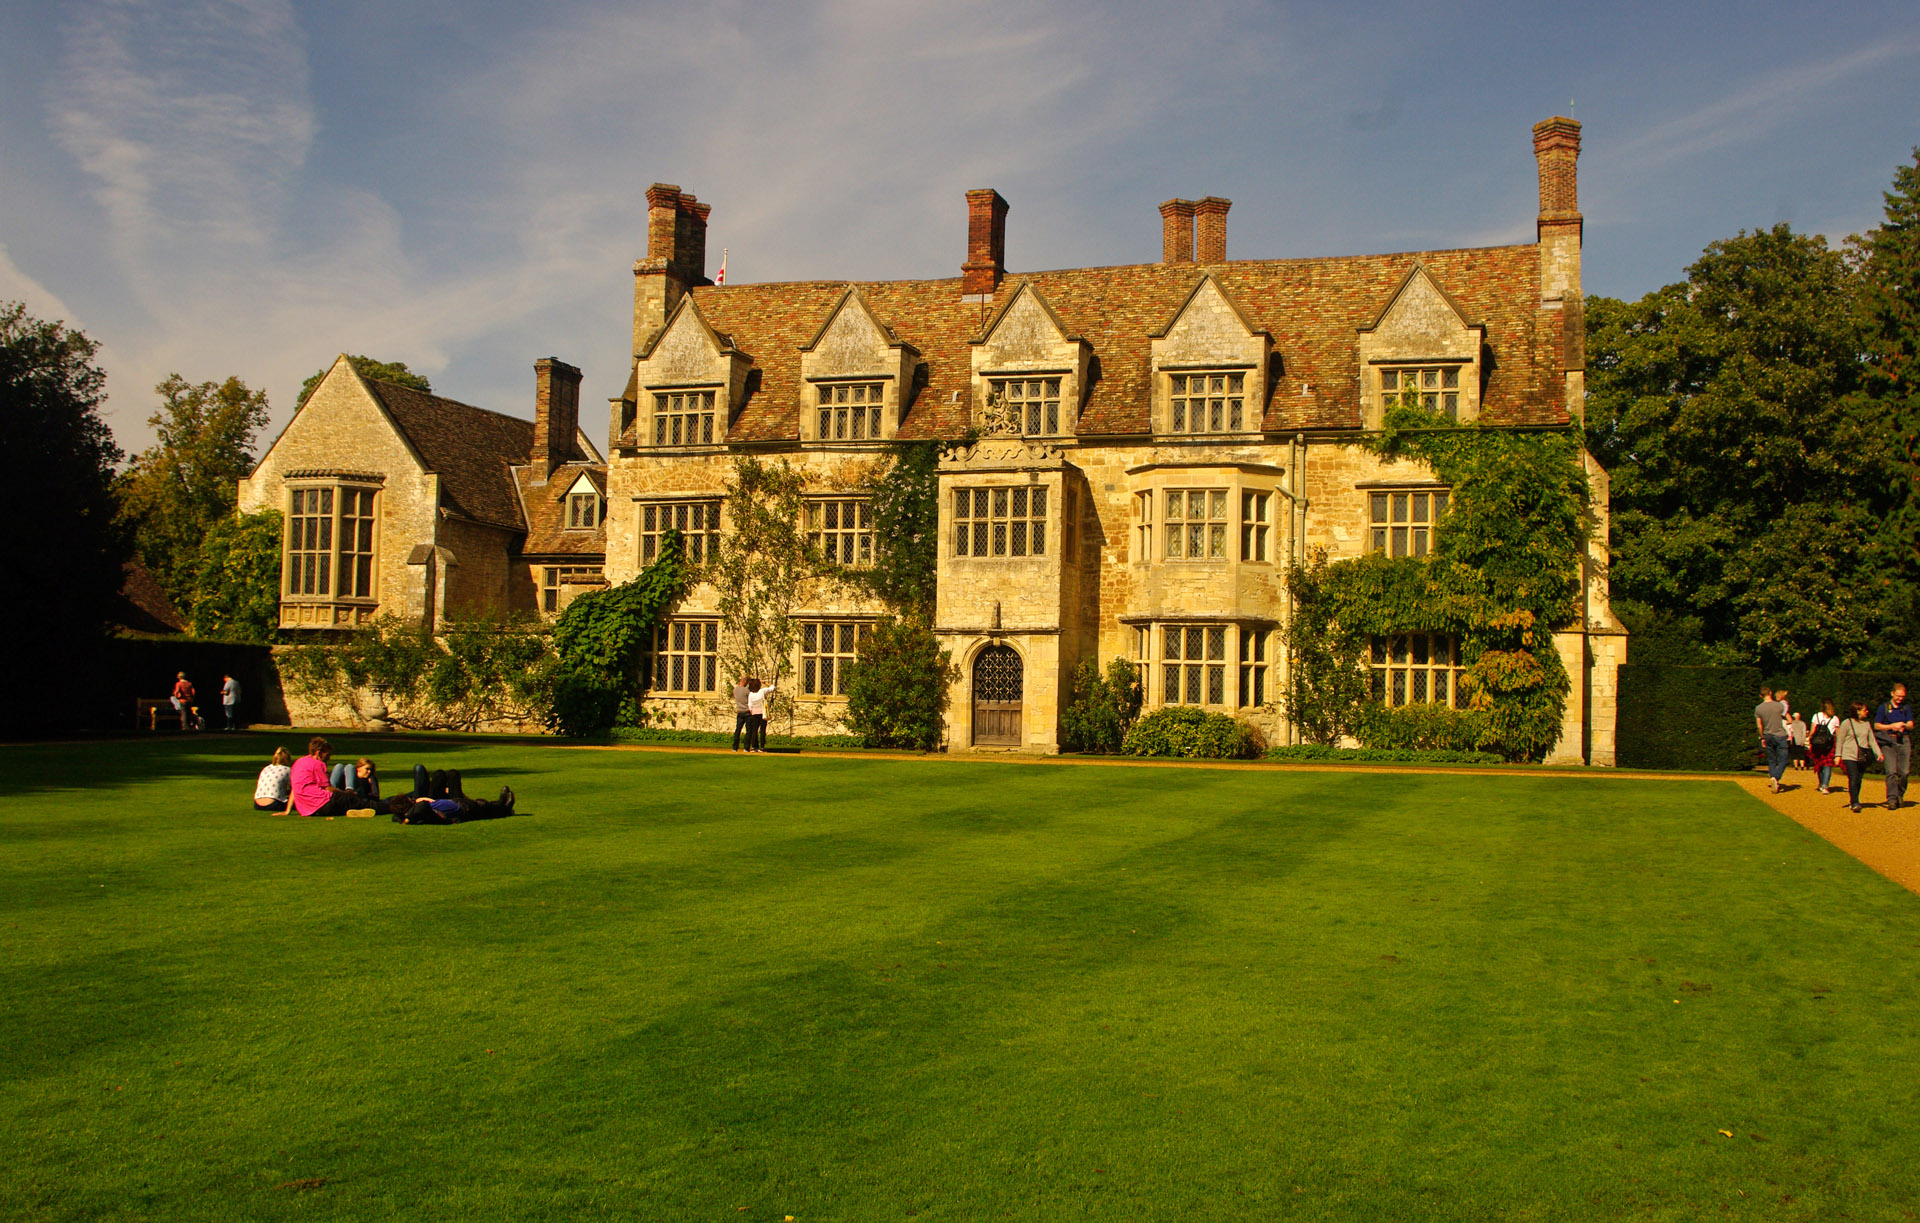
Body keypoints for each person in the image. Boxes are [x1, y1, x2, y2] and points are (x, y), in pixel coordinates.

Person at [386, 764, 516, 824]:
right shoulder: (420, 810)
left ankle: (503, 805)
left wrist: (405, 819)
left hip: (457, 803)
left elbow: (394, 817)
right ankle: (505, 807)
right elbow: (423, 806)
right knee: (483, 806)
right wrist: (411, 814)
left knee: (482, 805)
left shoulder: (410, 815)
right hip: (462, 809)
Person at [289, 736, 379, 818]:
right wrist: (346, 793)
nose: (329, 758)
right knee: (363, 803)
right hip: (323, 803)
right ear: (319, 753)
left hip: (308, 809)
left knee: (348, 802)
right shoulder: (318, 764)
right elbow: (328, 789)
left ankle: (352, 810)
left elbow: (295, 788)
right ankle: (390, 805)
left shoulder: (299, 762)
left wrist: (287, 810)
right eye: (327, 755)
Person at [1836, 701, 1884, 814]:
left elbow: (1872, 740)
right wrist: (1838, 755)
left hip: (1863, 756)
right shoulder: (1847, 723)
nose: (1867, 712)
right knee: (1853, 777)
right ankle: (1855, 802)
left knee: (1858, 779)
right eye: (1864, 710)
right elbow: (1840, 740)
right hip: (1849, 755)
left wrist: (1879, 753)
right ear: (1857, 711)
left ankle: (1854, 799)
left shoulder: (1866, 724)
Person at [1872, 682, 1913, 811]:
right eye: (1898, 696)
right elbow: (1876, 725)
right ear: (1892, 693)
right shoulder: (1883, 708)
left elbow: (1911, 724)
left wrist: (1903, 725)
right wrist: (1892, 726)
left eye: (1902, 697)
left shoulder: (1906, 708)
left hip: (1903, 740)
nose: (1900, 699)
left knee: (1904, 772)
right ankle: (1892, 799)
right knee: (1891, 771)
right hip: (1888, 741)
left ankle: (1899, 794)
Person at [1754, 686, 1790, 794]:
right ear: (1771, 693)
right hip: (1780, 734)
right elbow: (1786, 715)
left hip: (1768, 734)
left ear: (1760, 696)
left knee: (1771, 759)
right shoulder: (1779, 706)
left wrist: (1762, 737)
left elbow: (1759, 726)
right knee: (1783, 759)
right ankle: (1776, 777)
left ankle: (1773, 777)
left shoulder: (1758, 708)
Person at [1808, 700, 1841, 795]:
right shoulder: (1835, 718)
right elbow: (1838, 734)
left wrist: (1810, 741)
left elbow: (1812, 731)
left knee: (1819, 764)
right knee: (1827, 765)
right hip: (1829, 744)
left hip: (1817, 744)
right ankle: (1825, 785)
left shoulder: (1816, 716)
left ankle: (1821, 783)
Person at [253, 746, 294, 813]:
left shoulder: (266, 768)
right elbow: (294, 789)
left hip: (257, 804)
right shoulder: (287, 770)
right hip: (273, 804)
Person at [746, 676, 773, 753]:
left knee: (754, 730)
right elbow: (772, 687)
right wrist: (765, 682)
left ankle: (754, 747)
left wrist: (752, 712)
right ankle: (762, 747)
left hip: (754, 713)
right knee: (762, 730)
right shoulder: (762, 691)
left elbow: (750, 705)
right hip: (762, 713)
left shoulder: (751, 694)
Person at [732, 675, 753, 752]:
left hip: (740, 711)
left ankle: (735, 747)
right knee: (749, 730)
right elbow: (750, 700)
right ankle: (746, 747)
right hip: (747, 711)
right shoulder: (746, 691)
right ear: (745, 682)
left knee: (738, 729)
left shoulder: (735, 689)